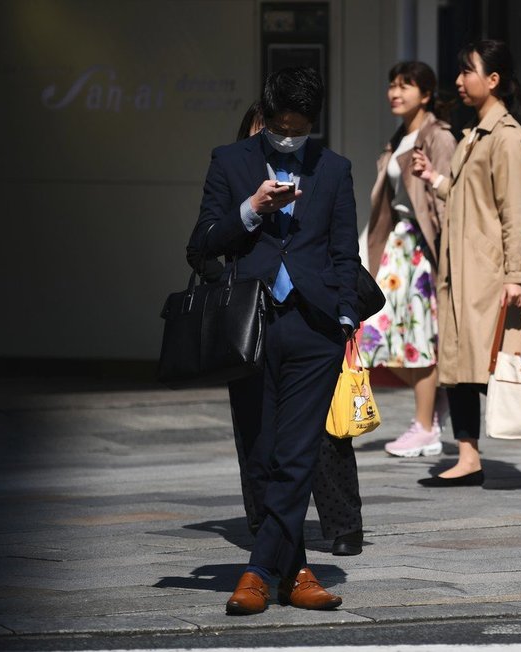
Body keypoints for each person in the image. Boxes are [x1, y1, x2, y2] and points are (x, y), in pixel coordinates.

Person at [188, 67, 360, 614]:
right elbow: (201, 245)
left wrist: (346, 317)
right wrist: (251, 209)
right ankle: (296, 570)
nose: (292, 138)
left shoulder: (334, 169)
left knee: (299, 454)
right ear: (266, 116)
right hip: (251, 328)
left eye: (302, 129)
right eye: (283, 128)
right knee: (262, 456)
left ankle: (258, 571)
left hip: (315, 330)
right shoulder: (230, 161)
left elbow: (344, 255)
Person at [411, 40, 521, 487]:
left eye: (467, 71)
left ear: (493, 79)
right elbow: (466, 196)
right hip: (461, 272)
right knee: (459, 365)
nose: (458, 80)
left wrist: (513, 276)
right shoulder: (474, 133)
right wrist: (434, 179)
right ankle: (469, 457)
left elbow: (517, 214)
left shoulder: (507, 138)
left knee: (494, 365)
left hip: (490, 276)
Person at [362, 61, 456, 458]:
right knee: (373, 335)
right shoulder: (400, 137)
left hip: (420, 249)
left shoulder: (438, 136)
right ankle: (431, 404)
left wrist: (431, 177)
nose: (395, 92)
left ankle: (425, 425)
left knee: (413, 334)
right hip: (397, 247)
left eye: (405, 86)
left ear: (427, 94)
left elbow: (452, 197)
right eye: (392, 84)